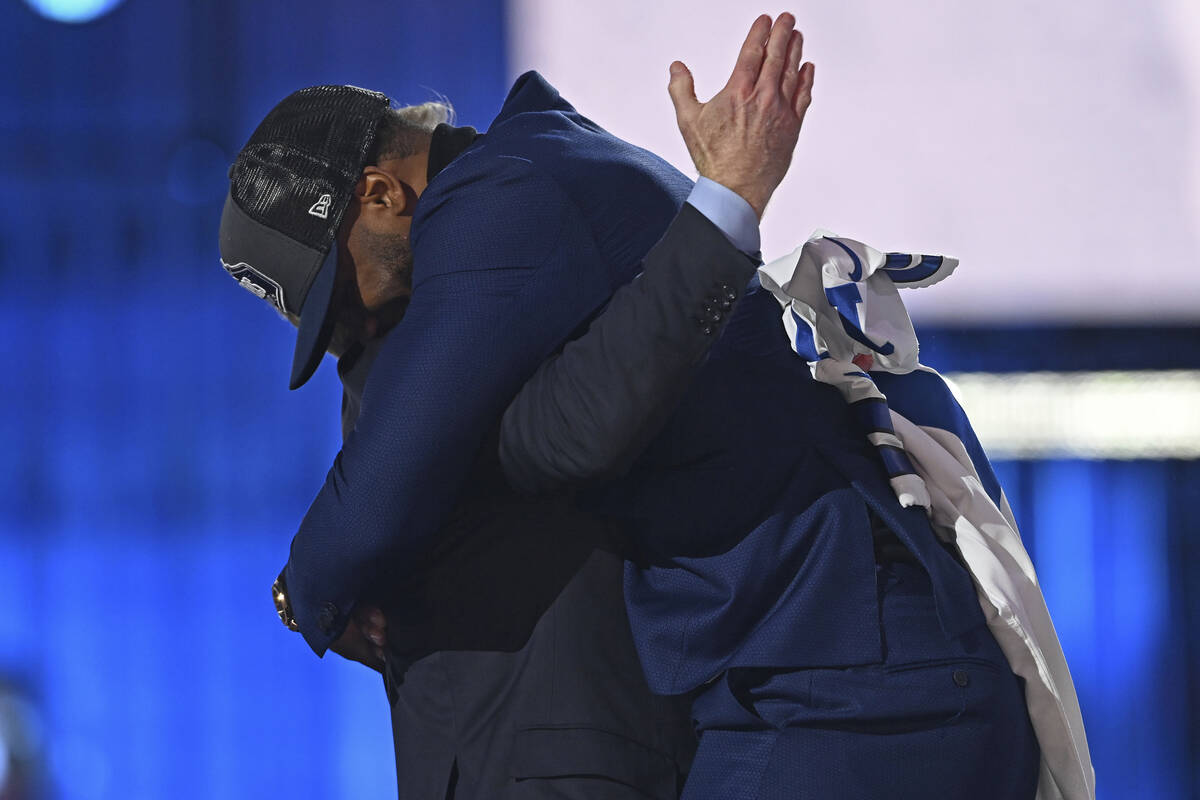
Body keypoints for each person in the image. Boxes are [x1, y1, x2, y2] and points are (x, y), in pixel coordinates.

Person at [216, 14, 813, 798]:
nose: (348, 337)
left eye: (338, 299)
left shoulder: (502, 196)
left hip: (568, 749)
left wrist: (303, 592)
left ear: (380, 192)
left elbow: (386, 480)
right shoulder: (510, 196)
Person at [496, 28, 1045, 800]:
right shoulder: (707, 333)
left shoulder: (651, 344)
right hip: (880, 689)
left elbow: (541, 447)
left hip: (856, 704)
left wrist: (732, 193)